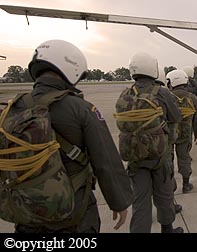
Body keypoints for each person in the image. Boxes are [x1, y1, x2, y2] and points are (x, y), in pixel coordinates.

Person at [15, 39, 133, 233]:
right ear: (70, 68)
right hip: (72, 211)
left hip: (26, 211)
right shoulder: (80, 108)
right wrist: (119, 202)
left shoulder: (14, 107)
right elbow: (105, 160)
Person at [120, 52, 184, 233]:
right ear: (153, 70)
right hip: (159, 155)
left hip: (135, 157)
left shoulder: (126, 94)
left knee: (140, 202)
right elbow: (176, 116)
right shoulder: (162, 92)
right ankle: (167, 229)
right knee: (164, 194)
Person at [166, 70, 197, 193]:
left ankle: (170, 185)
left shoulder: (167, 96)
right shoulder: (191, 97)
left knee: (168, 159)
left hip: (170, 134)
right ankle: (186, 184)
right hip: (186, 133)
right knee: (184, 158)